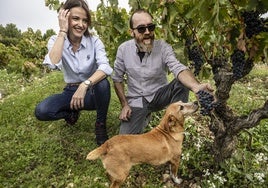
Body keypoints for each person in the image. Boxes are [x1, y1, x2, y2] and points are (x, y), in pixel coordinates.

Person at [111, 9, 213, 134]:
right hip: (136, 100)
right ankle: (144, 116)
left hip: (159, 96)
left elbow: (177, 67)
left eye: (151, 27)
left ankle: (174, 126)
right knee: (125, 142)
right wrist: (125, 105)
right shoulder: (123, 50)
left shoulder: (163, 47)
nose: (148, 32)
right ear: (131, 32)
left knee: (181, 83)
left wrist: (196, 87)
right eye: (141, 29)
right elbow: (117, 79)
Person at [35, 0, 113, 146]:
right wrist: (62, 31)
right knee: (42, 111)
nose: (81, 24)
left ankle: (100, 124)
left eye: (84, 20)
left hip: (91, 92)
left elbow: (105, 67)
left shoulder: (94, 41)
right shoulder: (55, 40)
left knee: (103, 84)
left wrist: (85, 85)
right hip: (70, 91)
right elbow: (53, 64)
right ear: (65, 18)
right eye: (75, 19)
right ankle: (71, 112)